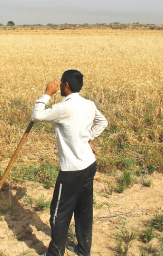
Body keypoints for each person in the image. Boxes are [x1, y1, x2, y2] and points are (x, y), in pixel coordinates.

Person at [31, 70, 108, 256]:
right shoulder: (88, 104)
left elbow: (36, 116)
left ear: (65, 86)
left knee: (59, 214)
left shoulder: (63, 108)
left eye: (60, 83)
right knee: (84, 210)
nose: (59, 86)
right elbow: (102, 122)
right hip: (89, 165)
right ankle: (83, 251)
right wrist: (88, 139)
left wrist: (47, 93)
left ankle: (54, 254)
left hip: (71, 171)